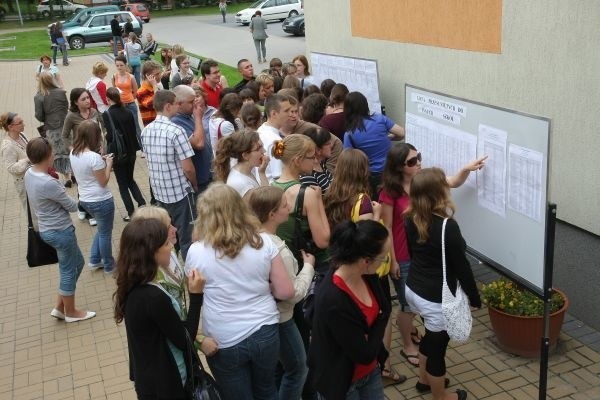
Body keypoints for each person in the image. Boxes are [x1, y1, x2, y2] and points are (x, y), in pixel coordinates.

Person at [379, 144, 487, 372]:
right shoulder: (391, 191)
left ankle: (418, 340)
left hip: (419, 253)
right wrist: (394, 259)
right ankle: (408, 345)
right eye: (411, 161)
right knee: (407, 305)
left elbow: (454, 181)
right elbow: (387, 226)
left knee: (415, 303)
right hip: (403, 253)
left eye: (418, 157)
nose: (417, 162)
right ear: (399, 167)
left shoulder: (423, 181)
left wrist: (467, 168)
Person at [185, 183, 294, 400]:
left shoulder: (196, 252)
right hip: (265, 329)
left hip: (223, 340)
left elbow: (195, 294)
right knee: (267, 390)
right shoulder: (263, 243)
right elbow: (285, 291)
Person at [324, 148, 405, 387]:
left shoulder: (331, 194)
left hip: (342, 264)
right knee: (382, 314)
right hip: (367, 268)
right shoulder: (364, 201)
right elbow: (368, 240)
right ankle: (385, 366)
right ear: (362, 170)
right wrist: (378, 213)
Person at [404, 168, 481, 400]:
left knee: (431, 335)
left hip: (414, 289)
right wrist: (475, 298)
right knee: (438, 348)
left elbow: (412, 253)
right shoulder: (448, 226)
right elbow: (462, 268)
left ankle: (423, 380)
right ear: (439, 193)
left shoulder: (409, 217)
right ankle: (441, 396)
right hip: (436, 297)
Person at [114, 218, 206, 399]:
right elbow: (184, 339)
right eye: (165, 244)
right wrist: (195, 296)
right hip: (168, 383)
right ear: (151, 252)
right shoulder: (153, 297)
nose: (171, 247)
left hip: (148, 379)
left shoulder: (133, 282)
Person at [308, 220, 391, 400]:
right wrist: (382, 319)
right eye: (384, 257)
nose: (385, 261)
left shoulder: (366, 275)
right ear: (366, 261)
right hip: (342, 382)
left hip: (370, 373)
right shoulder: (334, 300)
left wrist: (380, 319)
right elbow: (364, 354)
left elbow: (385, 307)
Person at [246, 186, 316, 400]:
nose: (290, 207)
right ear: (272, 215)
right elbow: (293, 293)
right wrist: (308, 267)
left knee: (278, 368)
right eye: (285, 205)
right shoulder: (279, 251)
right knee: (297, 368)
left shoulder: (248, 238)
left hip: (259, 317)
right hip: (282, 317)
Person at [24, 137, 95, 323]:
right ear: (47, 156)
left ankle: (60, 306)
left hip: (48, 229)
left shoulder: (29, 173)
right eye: (52, 152)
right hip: (60, 232)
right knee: (68, 269)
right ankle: (71, 312)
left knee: (77, 263)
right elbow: (72, 206)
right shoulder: (49, 183)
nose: (54, 154)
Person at [141, 90, 198, 260]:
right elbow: (188, 168)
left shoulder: (146, 130)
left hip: (160, 192)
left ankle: (171, 264)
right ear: (167, 106)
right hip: (180, 193)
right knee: (188, 237)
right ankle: (191, 276)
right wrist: (194, 184)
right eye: (176, 103)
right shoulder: (176, 131)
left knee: (168, 236)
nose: (178, 106)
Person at [70, 120, 116, 273]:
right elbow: (103, 181)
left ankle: (95, 259)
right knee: (105, 234)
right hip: (101, 200)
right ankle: (109, 265)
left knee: (101, 230)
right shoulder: (94, 158)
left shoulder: (73, 152)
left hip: (85, 199)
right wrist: (108, 164)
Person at [344, 91, 405, 200]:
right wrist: (388, 138)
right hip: (391, 170)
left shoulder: (349, 134)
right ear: (365, 105)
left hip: (371, 176)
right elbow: (402, 133)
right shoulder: (380, 119)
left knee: (377, 203)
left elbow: (349, 159)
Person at [103, 87, 146, 220]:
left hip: (119, 153)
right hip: (131, 150)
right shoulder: (127, 111)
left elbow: (110, 136)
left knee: (122, 184)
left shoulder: (107, 114)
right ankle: (142, 203)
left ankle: (130, 212)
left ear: (108, 99)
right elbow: (133, 130)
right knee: (130, 179)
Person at [172, 85, 213, 194]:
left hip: (206, 176)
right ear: (179, 104)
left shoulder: (188, 115)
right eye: (191, 102)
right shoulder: (176, 122)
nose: (195, 104)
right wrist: (198, 118)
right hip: (199, 181)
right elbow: (199, 144)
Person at [34, 72, 69, 185]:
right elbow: (66, 106)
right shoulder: (61, 92)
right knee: (68, 148)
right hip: (66, 124)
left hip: (51, 126)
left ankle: (66, 177)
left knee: (57, 152)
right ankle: (73, 173)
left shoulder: (39, 96)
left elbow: (39, 115)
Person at [214, 130, 269, 198]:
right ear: (245, 155)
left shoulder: (246, 170)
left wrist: (262, 171)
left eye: (262, 147)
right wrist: (262, 173)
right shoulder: (243, 184)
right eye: (258, 149)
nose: (264, 151)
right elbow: (268, 203)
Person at [257, 94, 293, 182]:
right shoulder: (278, 142)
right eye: (286, 111)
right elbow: (278, 175)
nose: (290, 114)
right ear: (274, 113)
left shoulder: (261, 129)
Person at [1, 112, 30, 210]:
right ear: (10, 127)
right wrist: (27, 160)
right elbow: (11, 168)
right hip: (24, 183)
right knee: (31, 211)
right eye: (20, 122)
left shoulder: (22, 135)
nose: (24, 124)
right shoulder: (7, 146)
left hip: (33, 177)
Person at [112, 55, 142, 145]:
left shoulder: (131, 77)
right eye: (117, 65)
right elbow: (114, 90)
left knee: (136, 126)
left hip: (130, 104)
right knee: (122, 127)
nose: (119, 67)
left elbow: (136, 91)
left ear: (125, 65)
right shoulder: (114, 76)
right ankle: (128, 146)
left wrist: (130, 98)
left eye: (121, 65)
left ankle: (143, 147)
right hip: (120, 105)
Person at [299, 126, 334, 194]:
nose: (331, 145)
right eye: (328, 143)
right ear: (317, 149)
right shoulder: (307, 175)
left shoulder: (321, 164)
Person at [137, 60, 162, 127]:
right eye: (157, 74)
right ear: (148, 76)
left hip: (159, 124)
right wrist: (154, 86)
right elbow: (154, 105)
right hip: (151, 126)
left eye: (160, 73)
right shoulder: (141, 91)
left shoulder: (156, 87)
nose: (160, 76)